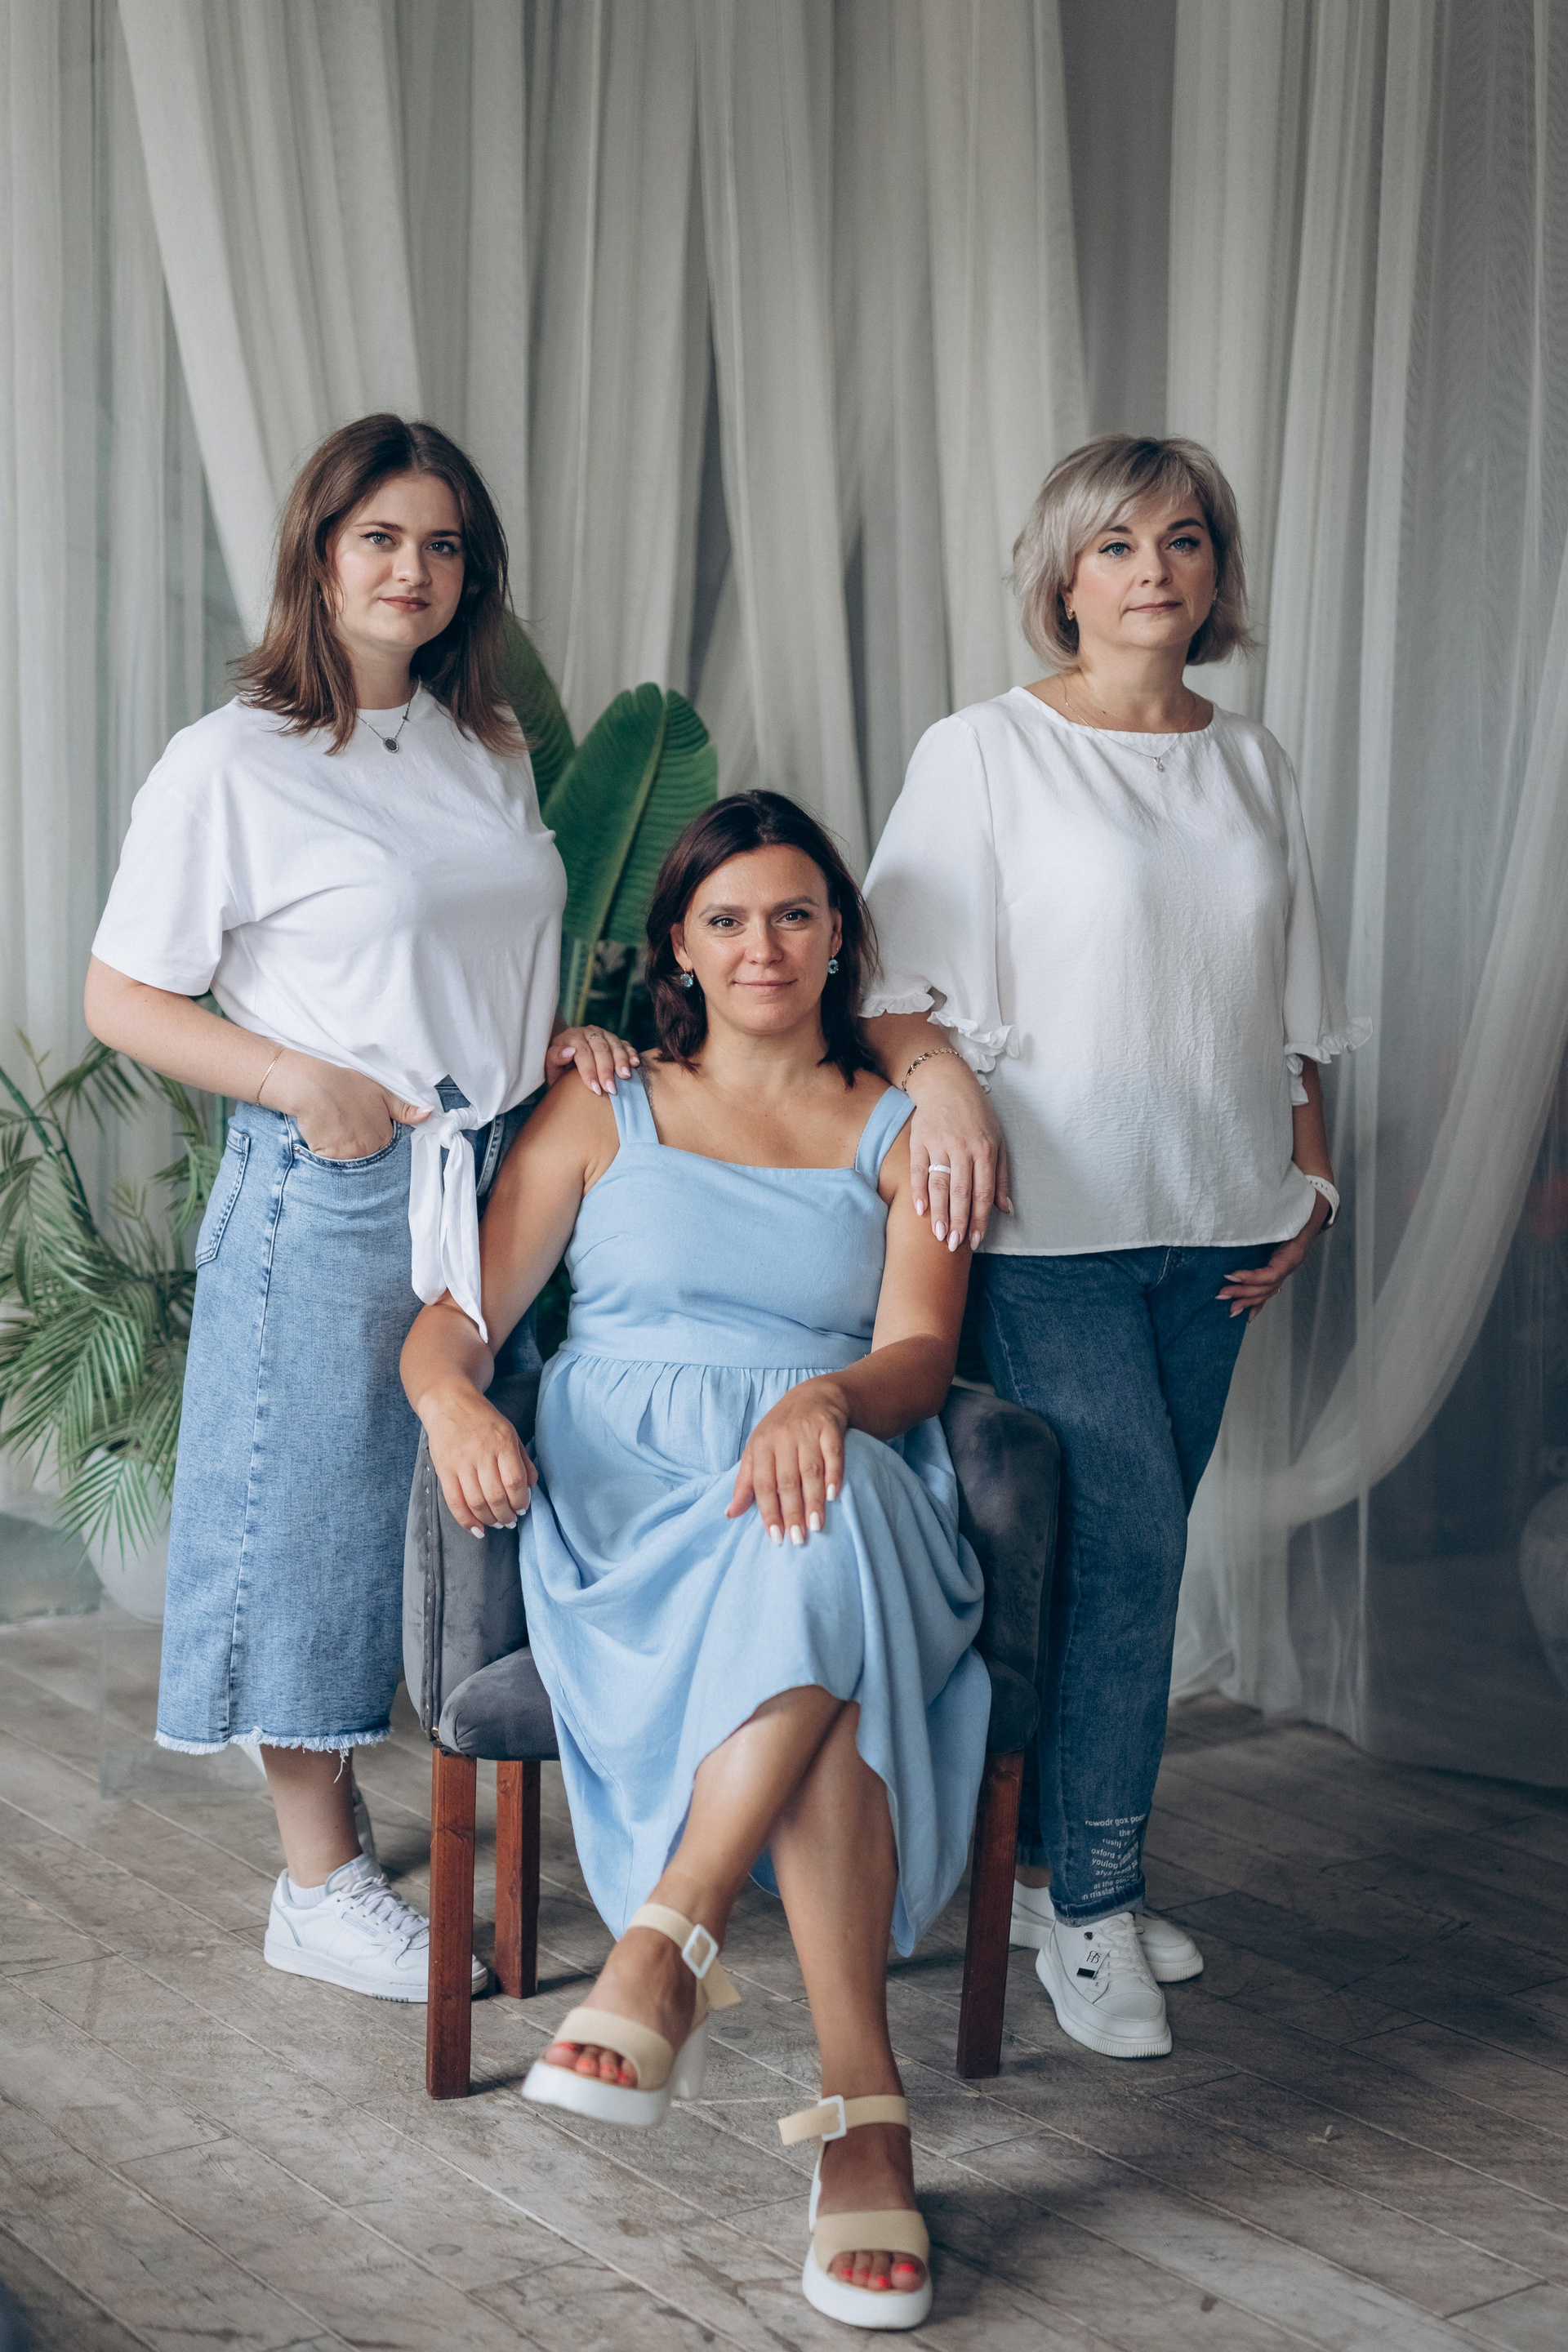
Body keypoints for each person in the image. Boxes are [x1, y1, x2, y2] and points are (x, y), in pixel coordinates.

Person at [402, 792, 991, 2329]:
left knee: (823, 1522)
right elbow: (460, 1318)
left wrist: (824, 1401)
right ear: (678, 943)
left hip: (830, 1458)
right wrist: (450, 1399)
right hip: (634, 1509)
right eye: (725, 919)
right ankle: (865, 2123)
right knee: (825, 1641)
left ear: (840, 936)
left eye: (794, 914)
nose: (761, 946)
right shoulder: (604, 1106)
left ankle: (665, 1953)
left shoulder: (901, 1125)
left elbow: (921, 1355)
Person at [84, 414, 632, 2003]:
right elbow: (122, 995)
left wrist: (545, 1041)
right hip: (329, 1186)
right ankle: (317, 1882)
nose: (414, 569)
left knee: (468, 1509)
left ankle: (416, 1816)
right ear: (319, 555)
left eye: (443, 544)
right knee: (313, 1522)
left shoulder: (487, 743)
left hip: (491, 1170)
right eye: (381, 537)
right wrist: (286, 1075)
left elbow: (472, 943)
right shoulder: (231, 760)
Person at [862, 434, 1365, 2061]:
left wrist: (1311, 1183)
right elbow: (887, 996)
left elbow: (1289, 1012)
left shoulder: (1253, 761)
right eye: (1119, 544)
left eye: (1187, 540)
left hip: (1219, 1233)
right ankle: (1092, 1907)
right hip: (1049, 1231)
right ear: (1065, 577)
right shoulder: (983, 752)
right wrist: (947, 1089)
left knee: (1120, 1564)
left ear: (1218, 574)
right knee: (1134, 1558)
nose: (1156, 569)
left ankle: (1051, 1876)